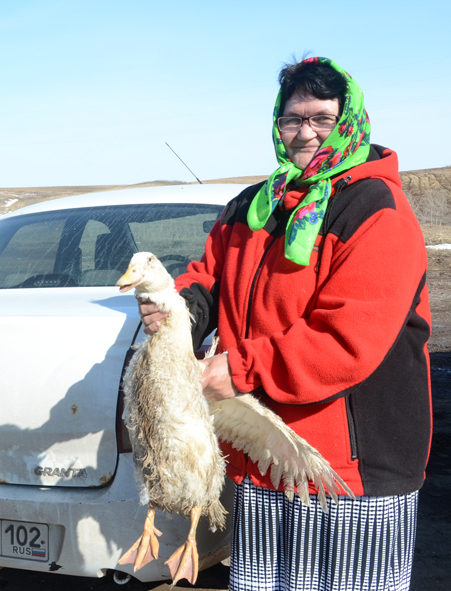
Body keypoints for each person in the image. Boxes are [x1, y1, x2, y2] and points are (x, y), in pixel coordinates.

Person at [139, 57, 431, 590]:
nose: (306, 133)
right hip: (268, 459)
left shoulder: (375, 211)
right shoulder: (254, 206)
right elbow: (209, 279)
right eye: (292, 120)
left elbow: (347, 340)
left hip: (351, 469)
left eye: (321, 118)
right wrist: (174, 309)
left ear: (349, 122)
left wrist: (241, 370)